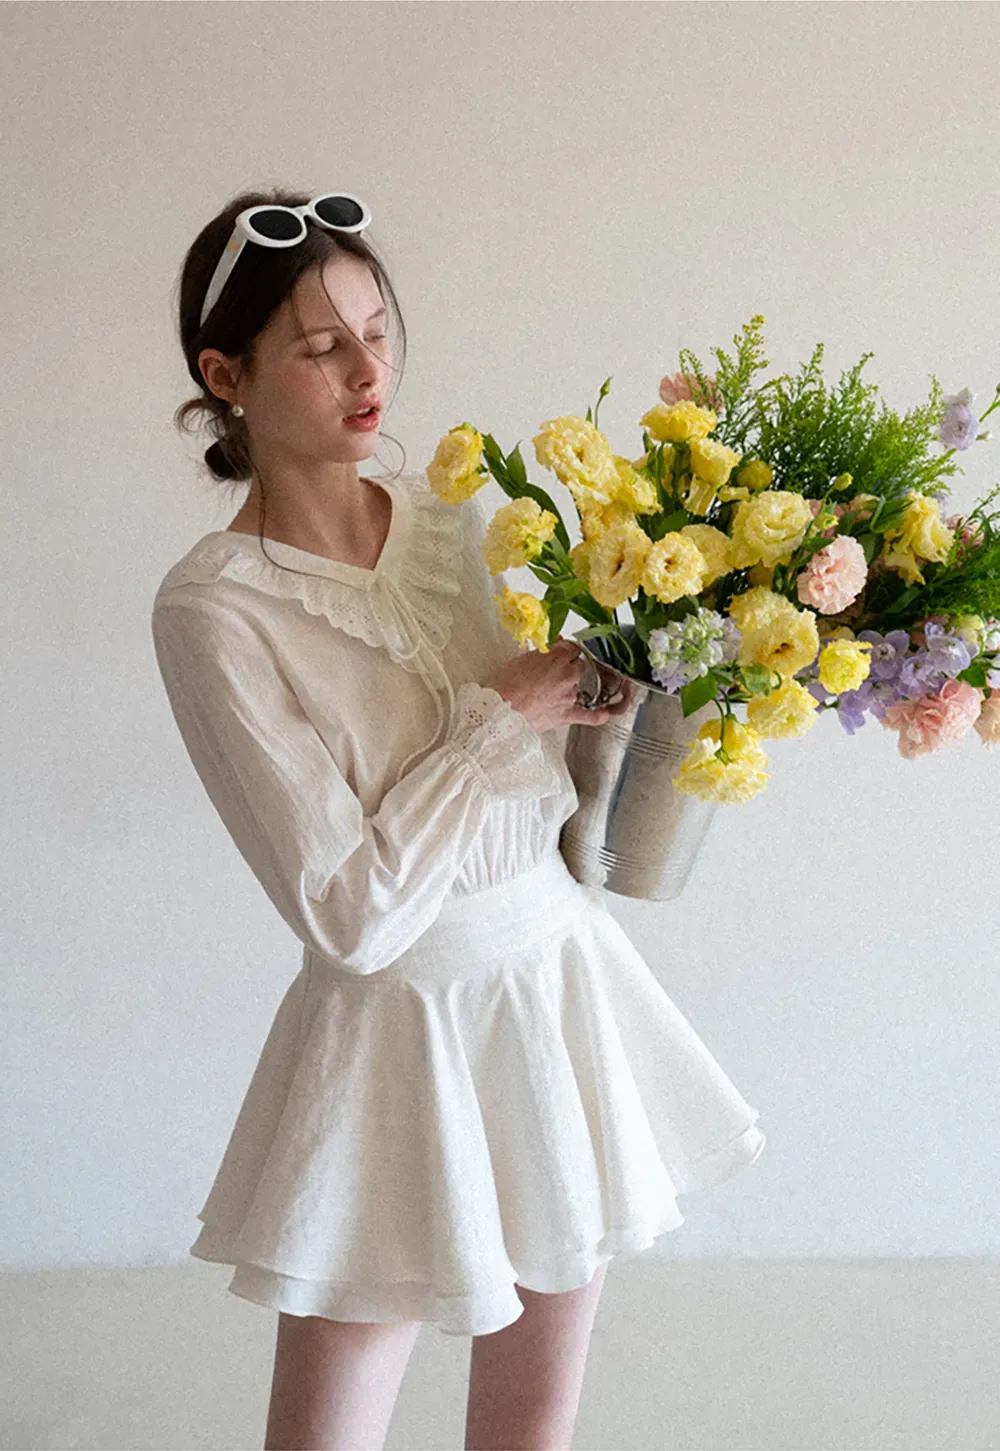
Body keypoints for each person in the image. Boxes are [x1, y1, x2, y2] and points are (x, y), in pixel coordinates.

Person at [152, 187, 767, 1451]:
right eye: (321, 347)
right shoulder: (216, 609)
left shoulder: (461, 526)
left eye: (378, 328)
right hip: (397, 1027)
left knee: (530, 1429)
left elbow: (561, 801)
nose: (367, 369)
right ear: (226, 374)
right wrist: (493, 717)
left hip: (555, 986)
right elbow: (349, 913)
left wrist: (672, 672)